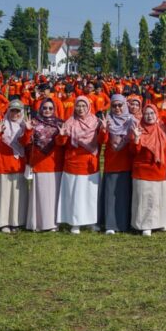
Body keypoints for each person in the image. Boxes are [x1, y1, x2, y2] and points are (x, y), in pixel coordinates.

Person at [57, 96, 106, 234]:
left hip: (90, 164)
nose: (81, 109)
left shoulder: (96, 122)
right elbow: (61, 143)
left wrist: (103, 130)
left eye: (84, 106)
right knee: (75, 195)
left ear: (89, 107)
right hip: (73, 164)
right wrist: (62, 136)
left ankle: (91, 222)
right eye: (78, 106)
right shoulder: (69, 122)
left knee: (90, 195)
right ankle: (75, 223)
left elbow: (102, 141)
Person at [0, 100, 31, 233]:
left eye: (18, 111)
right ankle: (2, 222)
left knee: (17, 196)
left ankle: (16, 221)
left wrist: (28, 131)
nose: (15, 114)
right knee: (3, 195)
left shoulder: (24, 126)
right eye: (12, 110)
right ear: (8, 111)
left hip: (18, 165)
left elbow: (25, 143)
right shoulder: (0, 124)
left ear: (21, 112)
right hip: (1, 164)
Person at [130, 104, 166, 235]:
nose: (149, 116)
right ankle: (145, 225)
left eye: (152, 113)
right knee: (145, 199)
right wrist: (136, 138)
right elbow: (133, 152)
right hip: (143, 171)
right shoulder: (138, 129)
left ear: (156, 114)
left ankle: (160, 222)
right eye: (147, 113)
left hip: (160, 169)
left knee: (160, 198)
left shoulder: (162, 129)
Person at [100, 94, 136, 234]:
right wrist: (103, 130)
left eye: (120, 105)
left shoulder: (131, 120)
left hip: (127, 163)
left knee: (126, 195)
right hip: (112, 163)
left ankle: (125, 223)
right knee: (111, 196)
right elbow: (101, 141)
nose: (117, 108)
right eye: (114, 105)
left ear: (125, 105)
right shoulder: (107, 121)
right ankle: (111, 225)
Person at [27, 99, 64, 232]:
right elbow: (25, 142)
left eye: (50, 108)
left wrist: (62, 135)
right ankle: (39, 223)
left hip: (55, 163)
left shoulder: (60, 123)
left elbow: (61, 143)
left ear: (54, 109)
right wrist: (27, 130)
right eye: (44, 108)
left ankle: (54, 223)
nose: (47, 111)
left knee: (54, 196)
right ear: (40, 109)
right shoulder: (33, 122)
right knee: (41, 195)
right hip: (39, 162)